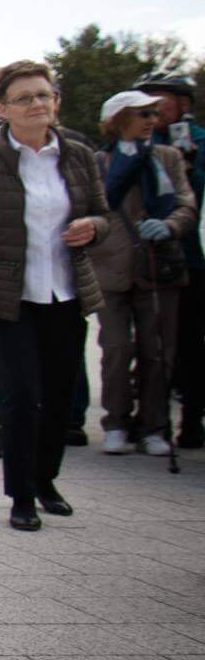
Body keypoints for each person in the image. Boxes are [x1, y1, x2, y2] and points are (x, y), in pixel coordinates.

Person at [0, 60, 109, 531]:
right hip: (9, 298)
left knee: (60, 396)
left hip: (66, 294)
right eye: (24, 98)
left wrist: (93, 226)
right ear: (3, 109)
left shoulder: (78, 156)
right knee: (19, 396)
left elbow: (104, 216)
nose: (37, 104)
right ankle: (20, 494)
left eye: (44, 95)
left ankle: (45, 479)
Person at [91, 89, 194, 456]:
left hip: (157, 265)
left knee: (158, 350)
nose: (152, 120)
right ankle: (116, 422)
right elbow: (87, 209)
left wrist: (169, 226)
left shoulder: (167, 157)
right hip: (111, 266)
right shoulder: (98, 162)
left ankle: (154, 426)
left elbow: (186, 204)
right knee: (116, 349)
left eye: (153, 114)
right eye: (142, 114)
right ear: (118, 119)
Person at [136, 72, 205, 448]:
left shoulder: (197, 141)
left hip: (192, 255)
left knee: (190, 344)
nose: (153, 110)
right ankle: (149, 418)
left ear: (182, 103)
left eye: (159, 101)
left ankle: (192, 419)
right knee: (154, 343)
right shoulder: (140, 145)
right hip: (152, 258)